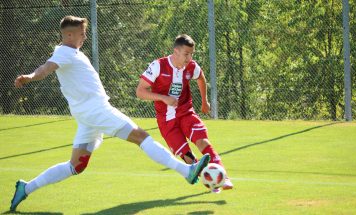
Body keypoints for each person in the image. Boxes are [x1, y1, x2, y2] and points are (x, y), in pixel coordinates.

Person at [10, 16, 210, 212]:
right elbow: (46, 69)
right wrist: (30, 77)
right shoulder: (64, 53)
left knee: (75, 166)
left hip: (87, 116)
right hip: (96, 110)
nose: (85, 37)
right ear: (69, 35)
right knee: (141, 137)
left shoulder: (71, 52)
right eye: (82, 33)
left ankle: (26, 188)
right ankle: (187, 171)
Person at [136, 34, 233, 193]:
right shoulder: (158, 66)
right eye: (186, 54)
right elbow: (140, 91)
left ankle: (224, 177)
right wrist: (163, 98)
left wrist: (204, 101)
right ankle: (211, 180)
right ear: (176, 51)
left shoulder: (191, 66)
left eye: (191, 54)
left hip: (186, 113)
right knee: (188, 158)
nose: (189, 57)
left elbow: (200, 77)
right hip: (167, 122)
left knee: (203, 142)